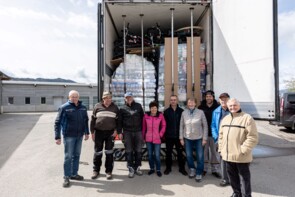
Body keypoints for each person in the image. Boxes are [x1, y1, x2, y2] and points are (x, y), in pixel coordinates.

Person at [218, 98, 258, 197]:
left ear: (239, 105)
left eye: (235, 105)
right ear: (227, 106)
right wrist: (221, 149)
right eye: (230, 106)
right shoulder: (225, 119)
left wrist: (243, 150)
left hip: (241, 156)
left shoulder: (247, 118)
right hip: (228, 156)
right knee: (232, 177)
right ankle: (236, 193)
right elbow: (221, 136)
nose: (232, 107)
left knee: (244, 178)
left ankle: (246, 195)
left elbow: (253, 137)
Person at [54, 90, 90, 188]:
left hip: (79, 136)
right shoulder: (64, 108)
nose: (74, 98)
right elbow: (57, 123)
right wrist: (57, 137)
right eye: (72, 96)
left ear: (79, 97)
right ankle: (66, 176)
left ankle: (74, 174)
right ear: (69, 97)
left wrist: (87, 133)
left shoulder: (83, 108)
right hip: (69, 136)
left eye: (76, 96)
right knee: (68, 156)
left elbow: (85, 121)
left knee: (77, 155)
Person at [90, 91, 119, 180]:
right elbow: (93, 120)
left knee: (109, 152)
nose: (108, 100)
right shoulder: (97, 106)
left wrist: (116, 131)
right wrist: (92, 132)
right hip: (98, 132)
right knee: (97, 152)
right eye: (106, 98)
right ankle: (96, 170)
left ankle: (108, 171)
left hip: (110, 133)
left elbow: (118, 121)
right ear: (103, 99)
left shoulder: (115, 107)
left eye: (110, 98)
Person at [179, 98, 208, 182]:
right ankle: (192, 169)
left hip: (199, 138)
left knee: (200, 156)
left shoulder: (200, 112)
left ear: (195, 103)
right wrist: (181, 138)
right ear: (187, 104)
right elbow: (181, 126)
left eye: (192, 102)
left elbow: (205, 126)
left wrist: (204, 138)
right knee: (188, 155)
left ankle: (199, 172)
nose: (191, 104)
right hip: (187, 138)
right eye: (189, 102)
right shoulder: (184, 113)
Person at [118, 92, 144, 178]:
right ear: (125, 99)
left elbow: (143, 119)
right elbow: (119, 122)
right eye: (127, 98)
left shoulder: (138, 106)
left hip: (138, 131)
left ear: (133, 98)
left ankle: (137, 167)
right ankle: (130, 168)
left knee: (138, 150)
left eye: (130, 97)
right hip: (127, 132)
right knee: (128, 150)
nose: (129, 99)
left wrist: (144, 132)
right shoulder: (122, 108)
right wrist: (119, 132)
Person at [198, 90, 221, 178]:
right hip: (204, 134)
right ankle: (204, 169)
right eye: (207, 97)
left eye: (210, 96)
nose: (208, 98)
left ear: (213, 97)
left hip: (214, 134)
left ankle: (215, 170)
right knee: (204, 153)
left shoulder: (218, 107)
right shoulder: (201, 107)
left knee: (215, 153)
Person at [163, 95, 187, 176]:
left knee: (180, 153)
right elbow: (164, 125)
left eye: (174, 100)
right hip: (169, 136)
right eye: (171, 100)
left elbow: (184, 124)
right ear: (170, 101)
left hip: (178, 136)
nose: (173, 101)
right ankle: (168, 168)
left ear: (177, 101)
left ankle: (182, 168)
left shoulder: (181, 111)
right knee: (168, 153)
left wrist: (183, 135)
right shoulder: (166, 112)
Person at [142, 101, 166, 177]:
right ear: (150, 108)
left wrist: (161, 134)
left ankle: (158, 169)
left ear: (157, 108)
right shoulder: (146, 116)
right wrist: (143, 137)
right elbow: (143, 127)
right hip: (148, 139)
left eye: (155, 108)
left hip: (157, 138)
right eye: (152, 108)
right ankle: (152, 168)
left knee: (157, 155)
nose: (153, 109)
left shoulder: (160, 115)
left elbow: (164, 125)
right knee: (149, 155)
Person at [211, 92, 231, 186]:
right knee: (223, 159)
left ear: (228, 100)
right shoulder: (216, 111)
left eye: (225, 99)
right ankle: (225, 179)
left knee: (232, 160)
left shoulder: (233, 110)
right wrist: (216, 137)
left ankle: (233, 178)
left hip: (232, 139)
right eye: (222, 99)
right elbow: (213, 126)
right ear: (219, 100)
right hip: (221, 139)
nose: (223, 101)